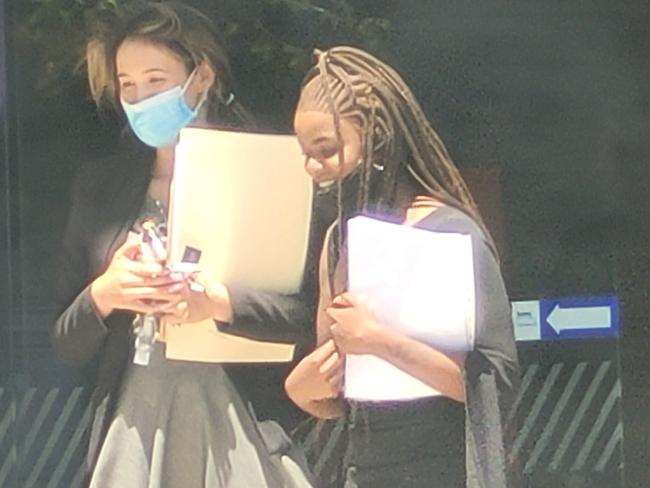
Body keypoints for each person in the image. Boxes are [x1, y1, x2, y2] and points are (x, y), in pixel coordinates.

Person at [50, 2, 317, 486]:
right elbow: (66, 344)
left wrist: (217, 302)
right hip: (134, 428)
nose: (140, 97)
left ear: (202, 77)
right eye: (127, 84)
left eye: (156, 80)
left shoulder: (262, 173)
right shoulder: (100, 187)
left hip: (242, 425)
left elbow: (307, 319)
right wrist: (105, 294)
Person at [284, 46, 520, 487]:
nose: (312, 167)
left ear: (377, 138)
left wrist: (380, 342)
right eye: (305, 152)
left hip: (445, 471)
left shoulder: (451, 232)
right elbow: (338, 394)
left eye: (326, 150)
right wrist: (304, 387)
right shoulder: (340, 240)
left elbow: (495, 382)